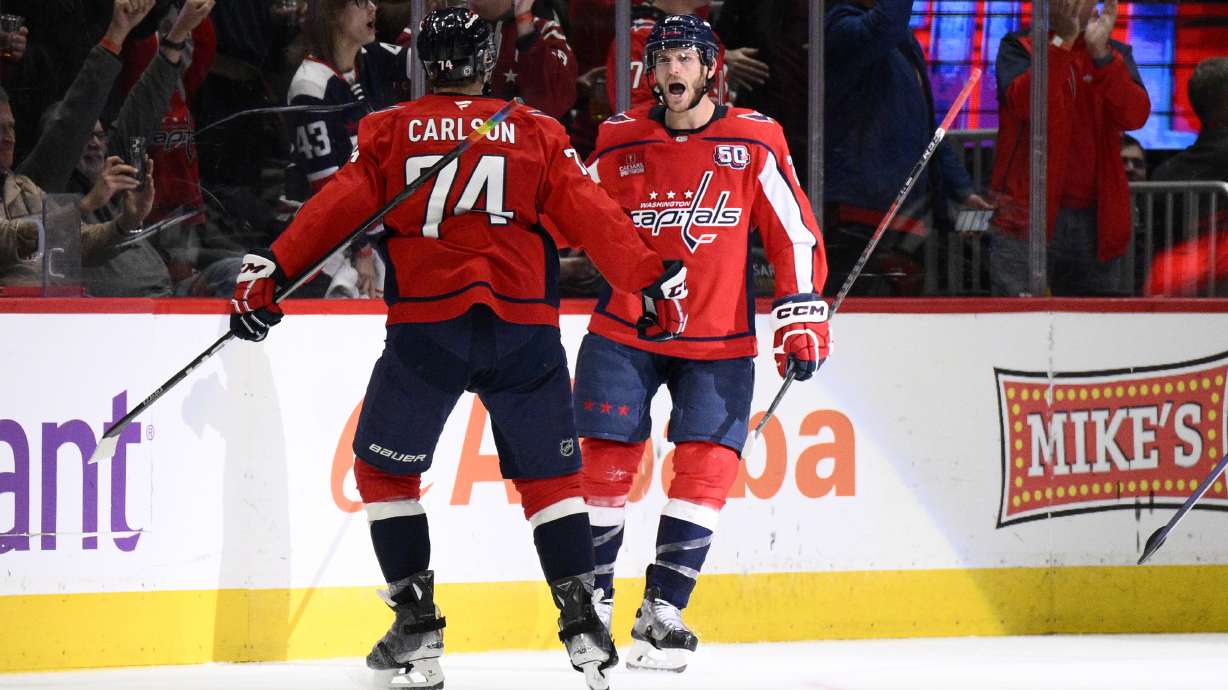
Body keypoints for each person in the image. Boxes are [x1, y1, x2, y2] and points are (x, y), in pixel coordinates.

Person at [227, 8, 689, 689]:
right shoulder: (534, 130)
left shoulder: (389, 129)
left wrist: (272, 273)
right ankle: (581, 618)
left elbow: (337, 210)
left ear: (426, 61)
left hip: (428, 331)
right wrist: (650, 280)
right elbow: (591, 214)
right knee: (552, 484)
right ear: (490, 58)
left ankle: (416, 626)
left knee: (384, 473)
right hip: (523, 331)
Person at [575, 14, 830, 672]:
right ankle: (594, 606)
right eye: (661, 61)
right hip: (625, 329)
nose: (671, 71)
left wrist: (800, 314)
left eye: (684, 58)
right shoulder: (618, 138)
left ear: (710, 67)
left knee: (707, 471)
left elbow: (792, 231)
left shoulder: (755, 139)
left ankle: (662, 612)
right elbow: (570, 211)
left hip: (718, 336)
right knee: (604, 461)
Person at [822, 0, 989, 296]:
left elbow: (926, 127)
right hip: (858, 217)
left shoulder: (901, 39)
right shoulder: (839, 28)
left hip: (906, 218)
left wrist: (961, 190)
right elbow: (883, 25)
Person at [988, 0, 1150, 296]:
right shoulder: (1018, 47)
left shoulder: (1114, 54)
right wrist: (1063, 42)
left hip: (1098, 219)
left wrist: (1101, 54)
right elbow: (1027, 105)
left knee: (1095, 331)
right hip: (1025, 218)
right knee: (1017, 328)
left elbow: (1135, 115)